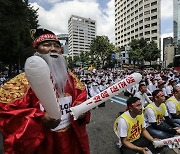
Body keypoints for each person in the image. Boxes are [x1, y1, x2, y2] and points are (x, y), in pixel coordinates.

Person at [0, 28, 90, 154]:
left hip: (69, 141)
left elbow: (81, 96)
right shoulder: (21, 82)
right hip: (42, 144)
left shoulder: (71, 79)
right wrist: (38, 117)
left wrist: (81, 108)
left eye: (56, 46)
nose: (53, 49)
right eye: (46, 45)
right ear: (36, 50)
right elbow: (6, 110)